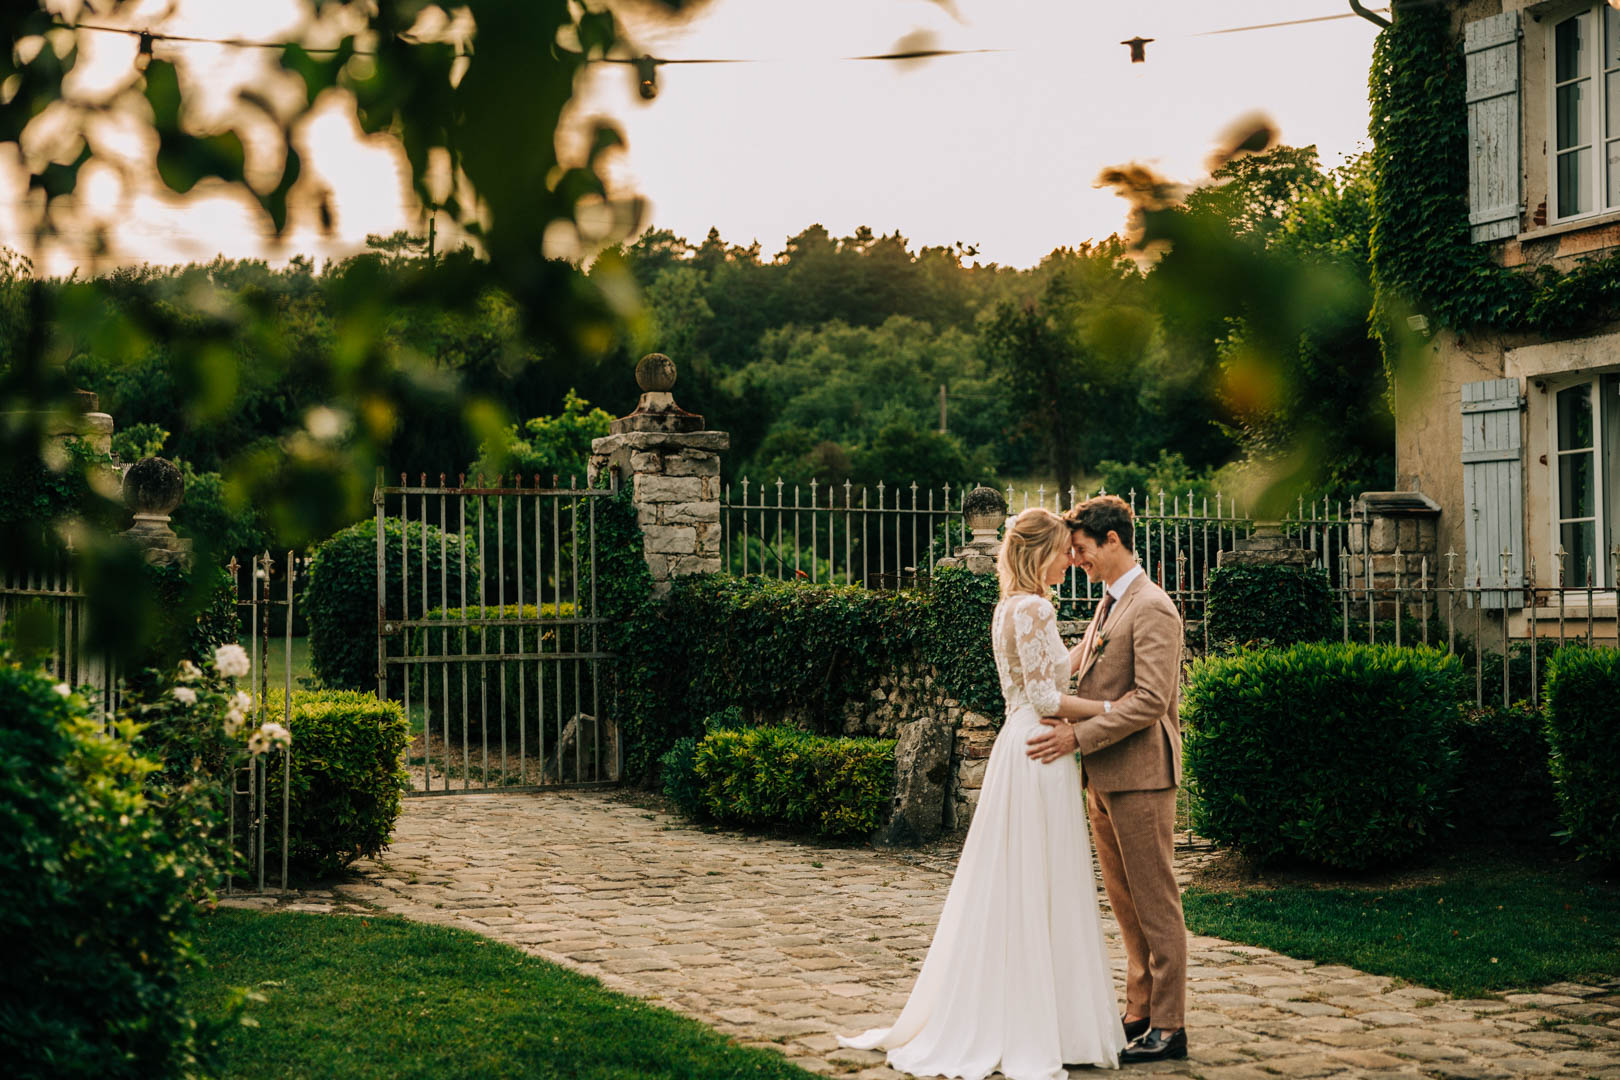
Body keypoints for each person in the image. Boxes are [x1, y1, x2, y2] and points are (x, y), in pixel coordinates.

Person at [838, 508, 1126, 1080]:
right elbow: (1049, 700)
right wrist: (1114, 709)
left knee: (1013, 879)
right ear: (1040, 553)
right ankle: (1049, 1022)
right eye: (1064, 550)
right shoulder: (1038, 607)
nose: (1072, 559)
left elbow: (1037, 678)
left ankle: (1018, 1008)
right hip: (1042, 746)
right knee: (1044, 879)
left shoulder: (1006, 608)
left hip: (1013, 744)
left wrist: (1085, 651)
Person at [1026, 495, 1188, 1064]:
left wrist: (1075, 737)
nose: (1078, 560)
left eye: (1083, 550)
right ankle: (1138, 1011)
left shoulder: (1153, 607)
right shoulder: (1109, 602)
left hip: (1142, 774)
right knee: (1124, 903)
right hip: (1105, 776)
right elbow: (1084, 669)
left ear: (1113, 540)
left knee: (1156, 902)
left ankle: (1170, 1026)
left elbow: (1149, 701)